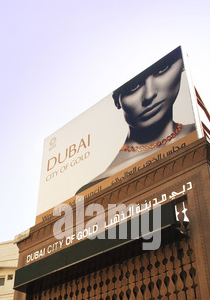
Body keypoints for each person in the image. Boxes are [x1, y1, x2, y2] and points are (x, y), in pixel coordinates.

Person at [77, 47, 196, 193]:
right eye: (133, 87)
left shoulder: (200, 133)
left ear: (182, 66)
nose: (149, 95)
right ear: (117, 101)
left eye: (162, 69)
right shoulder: (98, 185)